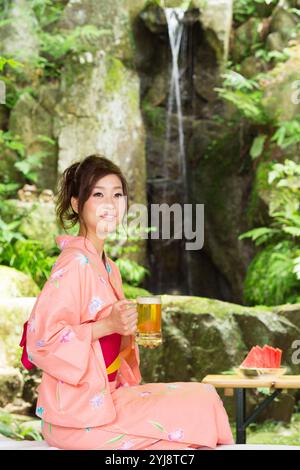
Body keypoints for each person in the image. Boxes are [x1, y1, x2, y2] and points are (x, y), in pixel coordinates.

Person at [21, 154, 234, 450]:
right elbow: (41, 341)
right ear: (76, 204)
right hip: (77, 415)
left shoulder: (109, 267)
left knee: (204, 397)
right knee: (184, 438)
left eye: (117, 195)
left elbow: (111, 335)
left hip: (107, 396)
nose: (110, 204)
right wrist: (106, 325)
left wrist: (127, 329)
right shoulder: (74, 265)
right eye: (98, 194)